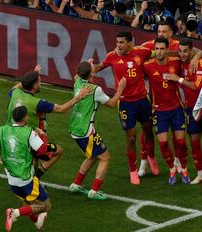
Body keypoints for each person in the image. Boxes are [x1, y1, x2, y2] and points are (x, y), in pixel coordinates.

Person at [90, 31, 158, 185]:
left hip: (143, 99)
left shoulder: (142, 52)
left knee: (148, 130)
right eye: (117, 42)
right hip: (125, 102)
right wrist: (90, 67)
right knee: (132, 137)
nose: (118, 45)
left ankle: (151, 158)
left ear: (129, 43)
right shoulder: (112, 56)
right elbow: (98, 67)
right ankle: (133, 171)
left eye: (121, 42)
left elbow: (158, 54)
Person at [138, 20, 202, 177]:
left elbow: (198, 51)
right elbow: (134, 53)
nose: (160, 34)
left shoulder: (177, 46)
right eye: (159, 31)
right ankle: (144, 160)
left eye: (164, 32)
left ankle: (177, 160)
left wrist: (195, 58)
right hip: (155, 98)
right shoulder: (150, 45)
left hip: (174, 99)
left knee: (178, 136)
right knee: (146, 129)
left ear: (171, 34)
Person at [7, 65, 91, 178]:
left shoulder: (15, 93)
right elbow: (62, 109)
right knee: (59, 151)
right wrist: (78, 97)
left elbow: (16, 87)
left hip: (12, 135)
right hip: (29, 140)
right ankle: (35, 178)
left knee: (34, 159)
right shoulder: (38, 103)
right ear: (34, 85)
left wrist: (31, 76)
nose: (41, 84)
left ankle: (31, 177)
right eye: (39, 82)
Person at [0, 106, 51, 232]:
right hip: (26, 180)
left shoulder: (2, 130)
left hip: (12, 181)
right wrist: (43, 136)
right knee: (45, 206)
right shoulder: (29, 133)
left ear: (13, 117)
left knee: (28, 205)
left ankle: (38, 222)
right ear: (25, 117)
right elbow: (42, 151)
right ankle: (14, 213)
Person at [165, 38, 202, 186]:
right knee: (195, 142)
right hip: (191, 109)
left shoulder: (201, 63)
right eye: (180, 51)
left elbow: (196, 86)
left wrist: (178, 79)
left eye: (185, 51)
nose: (182, 54)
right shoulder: (179, 63)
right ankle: (200, 174)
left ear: (192, 51)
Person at [67, 62, 126, 200]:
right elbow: (111, 103)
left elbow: (78, 75)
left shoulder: (77, 83)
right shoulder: (95, 90)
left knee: (93, 156)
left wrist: (89, 64)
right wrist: (120, 89)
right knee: (105, 157)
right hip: (85, 131)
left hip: (75, 127)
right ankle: (94, 191)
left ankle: (76, 184)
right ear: (92, 73)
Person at [143, 38, 190, 185]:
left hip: (176, 109)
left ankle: (184, 169)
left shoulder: (175, 62)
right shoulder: (148, 66)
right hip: (159, 111)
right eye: (156, 49)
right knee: (163, 144)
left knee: (181, 143)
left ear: (167, 50)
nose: (159, 52)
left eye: (162, 49)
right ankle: (171, 169)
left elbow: (194, 53)